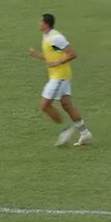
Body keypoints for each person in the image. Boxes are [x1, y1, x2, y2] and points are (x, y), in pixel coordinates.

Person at [27, 13, 93, 146]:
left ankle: (65, 129)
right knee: (67, 105)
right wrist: (37, 55)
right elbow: (53, 55)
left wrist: (57, 63)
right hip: (60, 75)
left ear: (46, 24)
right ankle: (85, 134)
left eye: (40, 22)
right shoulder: (47, 37)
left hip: (59, 77)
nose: (38, 24)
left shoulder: (56, 38)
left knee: (45, 105)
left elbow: (72, 53)